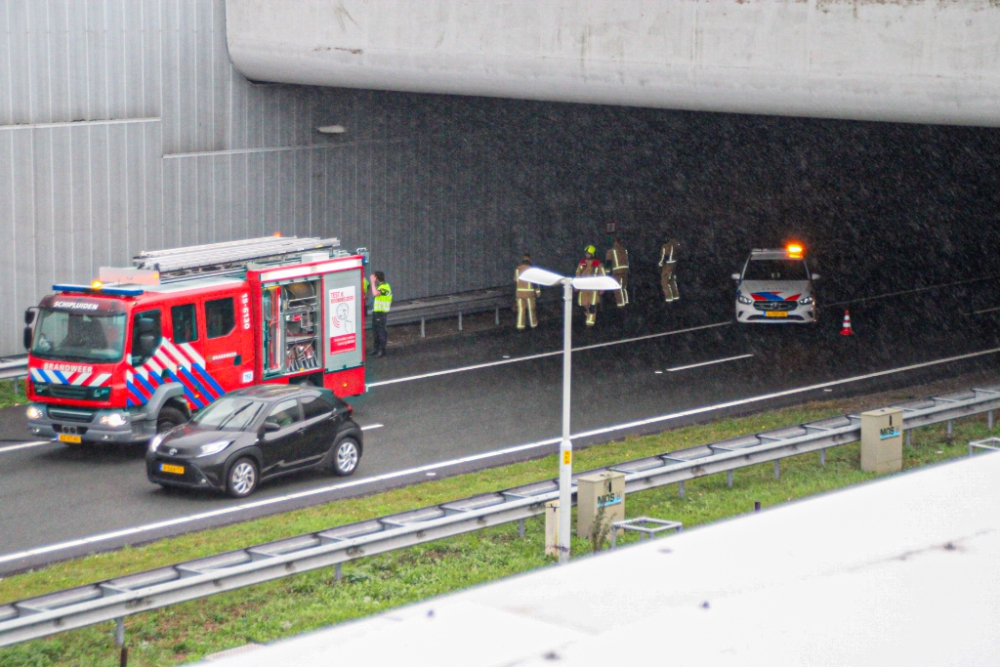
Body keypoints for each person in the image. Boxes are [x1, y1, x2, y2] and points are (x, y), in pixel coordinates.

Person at [575, 245, 606, 327]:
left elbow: (603, 275)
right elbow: (578, 273)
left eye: (589, 254)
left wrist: (603, 288)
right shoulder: (582, 263)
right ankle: (589, 314)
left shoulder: (598, 263)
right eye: (586, 253)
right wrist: (576, 285)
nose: (587, 255)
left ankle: (590, 323)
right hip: (584, 287)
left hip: (594, 287)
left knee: (592, 305)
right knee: (584, 303)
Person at [370, 271, 392, 357]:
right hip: (376, 312)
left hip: (381, 313)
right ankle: (376, 348)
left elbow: (375, 293)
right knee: (375, 331)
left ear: (377, 278)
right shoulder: (380, 286)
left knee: (381, 331)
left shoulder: (385, 287)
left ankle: (382, 350)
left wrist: (372, 282)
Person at [605, 236, 630, 307]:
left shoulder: (611, 251)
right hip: (625, 271)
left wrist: (606, 272)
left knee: (617, 288)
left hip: (617, 271)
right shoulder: (624, 250)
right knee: (624, 287)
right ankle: (626, 302)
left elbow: (608, 262)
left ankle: (621, 304)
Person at [658, 237, 681, 302]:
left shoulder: (665, 246)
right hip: (674, 263)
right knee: (672, 279)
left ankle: (669, 297)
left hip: (668, 264)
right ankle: (675, 295)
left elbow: (663, 256)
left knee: (664, 281)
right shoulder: (675, 244)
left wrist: (660, 263)